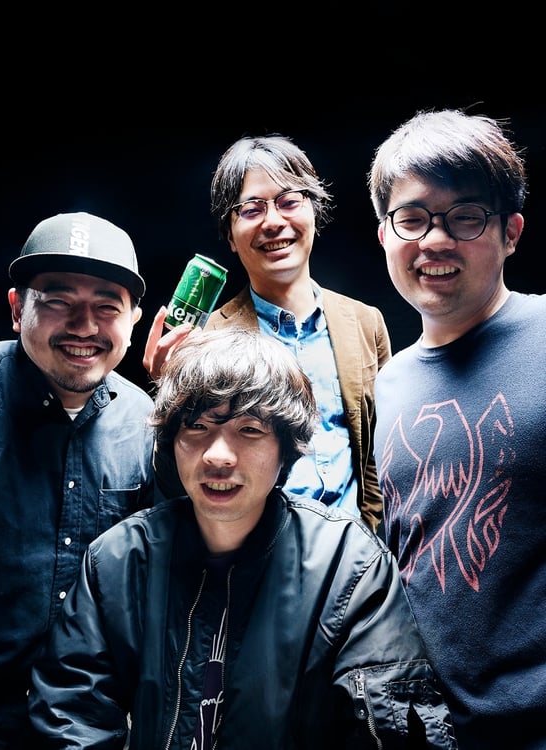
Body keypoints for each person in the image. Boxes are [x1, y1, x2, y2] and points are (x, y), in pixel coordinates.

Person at [28, 327, 458, 749]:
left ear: (286, 448)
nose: (218, 455)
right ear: (172, 439)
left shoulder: (350, 565)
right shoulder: (119, 559)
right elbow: (72, 715)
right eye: (197, 426)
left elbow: (389, 728)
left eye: (249, 430)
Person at [368, 108, 545, 749]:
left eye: (465, 217)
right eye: (412, 218)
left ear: (510, 232)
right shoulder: (390, 383)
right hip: (430, 734)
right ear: (385, 235)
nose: (435, 241)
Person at [0, 211, 155, 748]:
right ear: (17, 309)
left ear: (133, 320)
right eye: (58, 300)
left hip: (90, 732)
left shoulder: (149, 425)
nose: (84, 326)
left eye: (107, 305)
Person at [143, 134, 391, 533]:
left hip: (356, 550)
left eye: (289, 201)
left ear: (314, 211)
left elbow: (379, 455)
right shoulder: (206, 339)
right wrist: (168, 400)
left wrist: (375, 536)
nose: (273, 222)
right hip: (256, 553)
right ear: (230, 234)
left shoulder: (365, 323)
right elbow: (178, 486)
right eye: (251, 209)